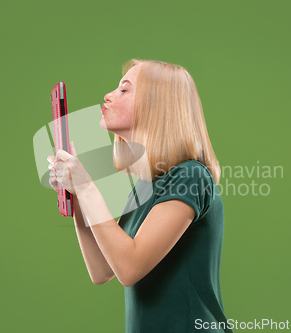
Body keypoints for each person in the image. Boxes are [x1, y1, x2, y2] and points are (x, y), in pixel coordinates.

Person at [47, 59, 233, 333]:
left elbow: (130, 267)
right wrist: (76, 197)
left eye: (124, 89)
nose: (108, 96)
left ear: (156, 106)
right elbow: (102, 270)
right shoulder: (147, 187)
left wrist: (87, 188)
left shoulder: (191, 177)